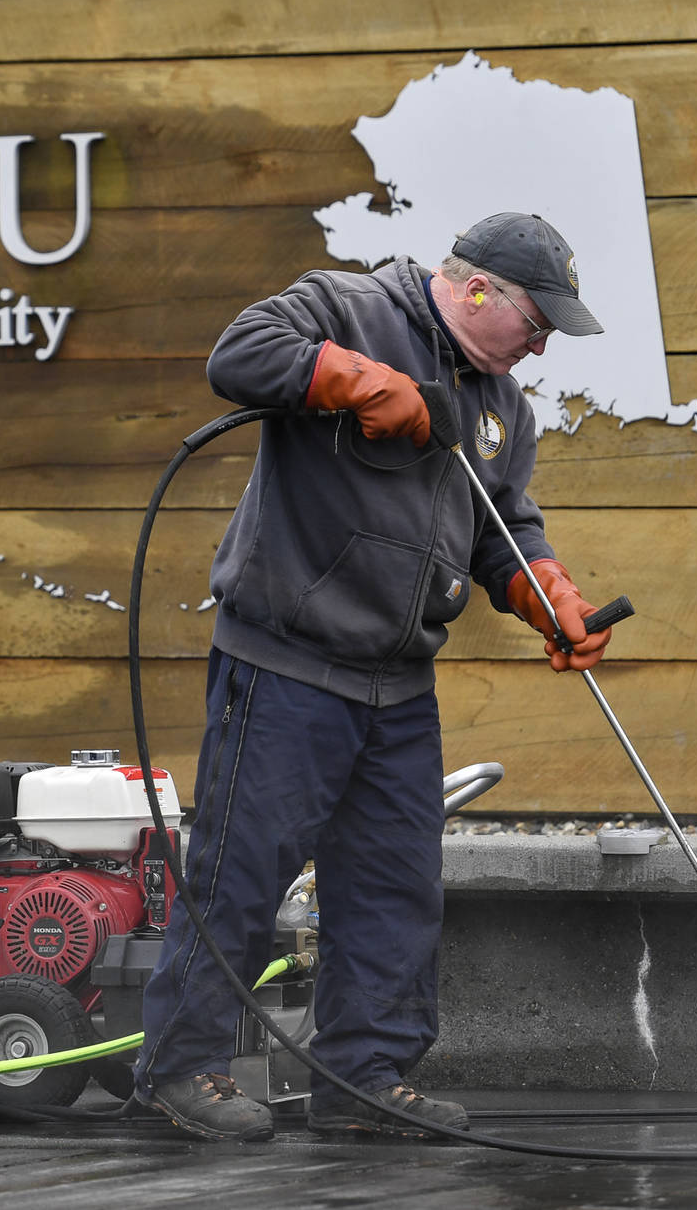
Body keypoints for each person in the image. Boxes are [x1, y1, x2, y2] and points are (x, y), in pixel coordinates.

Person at [132, 212, 616, 1142]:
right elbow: (240, 354)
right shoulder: (348, 306)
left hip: (398, 682)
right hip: (287, 660)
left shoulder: (502, 407)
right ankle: (179, 1068)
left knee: (396, 883)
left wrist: (542, 588)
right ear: (478, 290)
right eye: (538, 321)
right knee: (240, 872)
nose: (544, 342)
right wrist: (358, 382)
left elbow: (501, 526)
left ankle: (363, 1078)